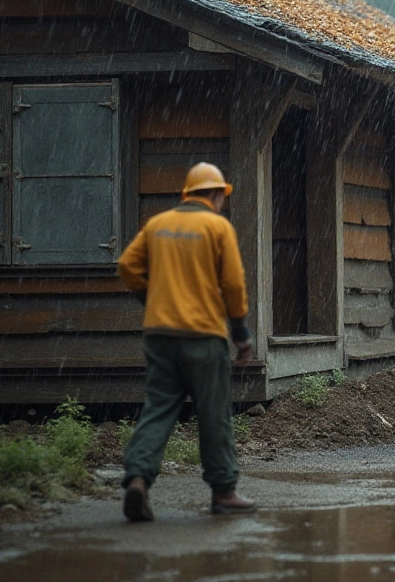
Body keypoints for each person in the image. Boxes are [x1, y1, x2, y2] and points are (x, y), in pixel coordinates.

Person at [116, 162, 256, 522]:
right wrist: (240, 333)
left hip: (160, 335)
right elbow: (234, 285)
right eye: (221, 196)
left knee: (159, 407)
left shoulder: (158, 224)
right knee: (213, 414)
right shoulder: (217, 227)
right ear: (213, 195)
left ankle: (138, 481)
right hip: (203, 336)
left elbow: (127, 267)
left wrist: (151, 299)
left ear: (187, 194)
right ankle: (224, 492)